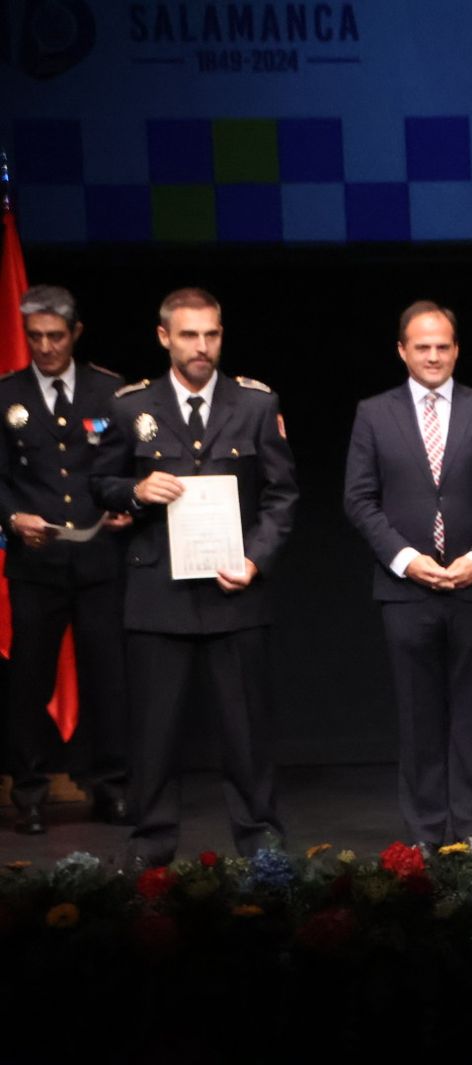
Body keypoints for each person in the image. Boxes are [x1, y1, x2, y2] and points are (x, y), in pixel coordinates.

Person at [90, 287, 296, 866]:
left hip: (236, 592)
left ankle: (263, 848)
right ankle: (151, 849)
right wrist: (135, 489)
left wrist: (256, 558)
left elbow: (282, 495)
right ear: (164, 337)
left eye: (211, 334)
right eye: (189, 335)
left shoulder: (255, 404)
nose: (201, 347)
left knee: (247, 733)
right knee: (153, 736)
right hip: (159, 594)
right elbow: (99, 483)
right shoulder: (133, 407)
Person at [344, 301, 472, 852]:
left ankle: (469, 834)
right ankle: (423, 836)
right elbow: (358, 498)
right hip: (405, 589)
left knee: (471, 720)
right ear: (402, 350)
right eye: (422, 346)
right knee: (419, 720)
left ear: (456, 349)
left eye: (443, 346)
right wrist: (405, 559)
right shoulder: (374, 413)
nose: (433, 356)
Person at [0, 285, 131, 834]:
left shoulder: (112, 392)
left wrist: (128, 506)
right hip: (36, 564)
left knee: (110, 680)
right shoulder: (6, 394)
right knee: (28, 682)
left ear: (75, 334)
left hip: (100, 558)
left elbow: (130, 467)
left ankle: (112, 786)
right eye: (35, 338)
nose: (46, 347)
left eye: (56, 336)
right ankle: (28, 792)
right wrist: (10, 519)